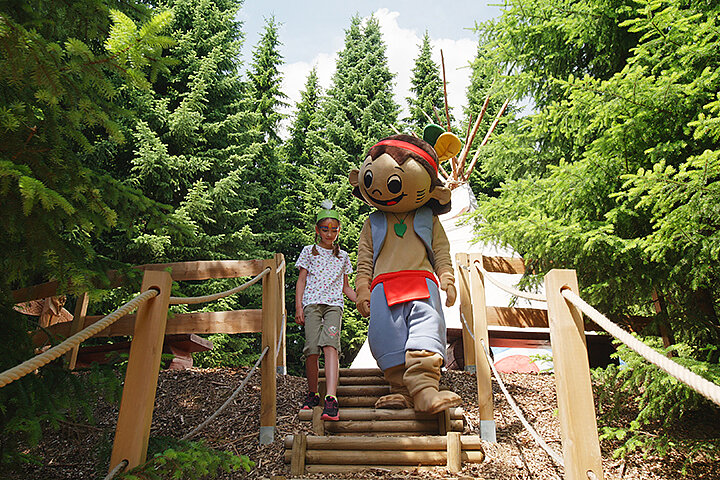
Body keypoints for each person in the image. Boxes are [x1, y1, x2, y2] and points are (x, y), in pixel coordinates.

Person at [348, 131, 463, 414]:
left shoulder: (428, 219)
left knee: (426, 331)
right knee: (387, 338)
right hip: (383, 290)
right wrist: (362, 288)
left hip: (421, 285)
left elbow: (441, 252)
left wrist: (446, 278)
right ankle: (400, 390)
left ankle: (424, 389)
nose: (378, 190)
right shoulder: (372, 223)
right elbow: (364, 261)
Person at [295, 200, 357, 421]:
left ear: (339, 230)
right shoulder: (308, 252)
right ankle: (313, 394)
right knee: (312, 348)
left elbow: (346, 287)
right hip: (312, 304)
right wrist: (298, 306)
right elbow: (301, 281)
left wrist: (361, 301)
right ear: (317, 230)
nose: (330, 234)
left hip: (334, 306)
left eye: (334, 229)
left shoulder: (343, 256)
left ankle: (331, 397)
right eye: (325, 229)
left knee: (331, 346)